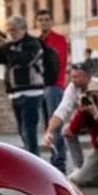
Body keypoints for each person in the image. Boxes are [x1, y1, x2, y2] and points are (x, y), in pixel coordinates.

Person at [0, 15, 49, 155]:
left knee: (29, 130)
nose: (11, 33)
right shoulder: (10, 45)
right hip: (15, 93)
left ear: (23, 29)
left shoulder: (33, 43)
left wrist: (7, 46)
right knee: (22, 131)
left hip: (32, 92)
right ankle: (31, 158)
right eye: (9, 30)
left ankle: (35, 160)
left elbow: (22, 60)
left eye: (14, 30)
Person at [43, 63, 97, 172]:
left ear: (87, 76)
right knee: (67, 130)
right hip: (86, 121)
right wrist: (49, 132)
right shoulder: (72, 88)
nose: (73, 80)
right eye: (72, 77)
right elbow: (61, 111)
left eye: (76, 77)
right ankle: (79, 166)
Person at [36, 10, 69, 172]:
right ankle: (53, 159)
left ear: (52, 22)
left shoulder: (59, 40)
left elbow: (57, 62)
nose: (44, 23)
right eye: (40, 20)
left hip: (55, 87)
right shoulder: (36, 41)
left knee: (55, 126)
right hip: (40, 88)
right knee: (46, 128)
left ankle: (60, 162)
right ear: (37, 23)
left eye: (47, 19)